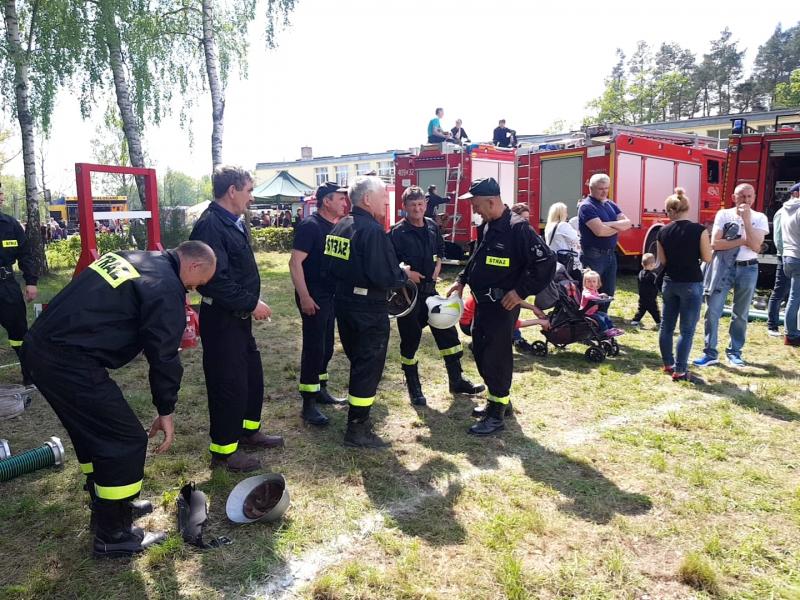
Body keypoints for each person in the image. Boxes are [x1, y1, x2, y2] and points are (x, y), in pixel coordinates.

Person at [21, 242, 217, 557]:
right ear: (194, 266)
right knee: (124, 439)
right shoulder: (166, 287)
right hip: (67, 361)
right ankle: (113, 533)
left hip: (44, 347)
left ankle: (109, 507)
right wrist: (166, 410)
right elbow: (164, 355)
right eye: (198, 283)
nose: (193, 291)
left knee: (91, 433)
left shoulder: (135, 257)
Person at [190, 165, 283, 473]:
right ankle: (224, 451)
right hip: (222, 318)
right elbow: (213, 279)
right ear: (232, 191)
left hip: (238, 318)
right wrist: (250, 302)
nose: (251, 197)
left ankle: (248, 432)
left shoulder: (232, 221)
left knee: (250, 377)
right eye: (249, 190)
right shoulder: (211, 225)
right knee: (227, 383)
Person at [446, 177, 556, 435]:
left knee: (497, 356)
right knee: (481, 350)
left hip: (502, 306)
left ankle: (496, 415)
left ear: (492, 201)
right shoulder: (487, 226)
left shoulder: (518, 229)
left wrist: (520, 293)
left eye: (476, 204)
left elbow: (546, 263)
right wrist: (462, 280)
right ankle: (498, 401)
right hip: (482, 303)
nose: (474, 209)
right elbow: (476, 258)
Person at [324, 176, 417, 448]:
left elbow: (329, 266)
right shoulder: (373, 231)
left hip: (344, 303)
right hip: (368, 308)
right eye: (382, 197)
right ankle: (357, 429)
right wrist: (403, 274)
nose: (387, 202)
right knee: (368, 365)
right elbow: (384, 276)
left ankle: (358, 419)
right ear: (367, 199)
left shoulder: (339, 226)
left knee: (358, 360)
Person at [390, 186, 484, 406]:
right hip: (408, 296)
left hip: (431, 292)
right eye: (412, 205)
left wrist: (439, 264)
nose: (417, 209)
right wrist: (405, 274)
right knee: (410, 342)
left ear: (425, 204)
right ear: (404, 207)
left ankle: (457, 380)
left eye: (420, 204)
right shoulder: (396, 232)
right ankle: (414, 388)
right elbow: (387, 264)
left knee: (448, 335)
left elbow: (440, 248)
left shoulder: (432, 226)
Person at [289, 182, 350, 426]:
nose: (345, 203)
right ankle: (308, 403)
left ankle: (321, 389)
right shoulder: (310, 227)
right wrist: (304, 296)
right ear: (327, 201)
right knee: (314, 348)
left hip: (331, 296)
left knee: (325, 347)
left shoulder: (338, 226)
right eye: (340, 199)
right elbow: (295, 264)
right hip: (313, 297)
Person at [694, 183, 768, 368]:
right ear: (734, 197)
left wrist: (747, 221)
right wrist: (743, 240)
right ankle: (710, 352)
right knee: (712, 310)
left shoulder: (760, 218)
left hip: (748, 268)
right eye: (742, 196)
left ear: (754, 197)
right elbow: (715, 243)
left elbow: (756, 247)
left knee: (741, 314)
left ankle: (734, 352)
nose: (746, 200)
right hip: (723, 267)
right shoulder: (724, 214)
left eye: (750, 196)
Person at [656, 188, 712, 383]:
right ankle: (680, 370)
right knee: (686, 330)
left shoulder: (662, 231)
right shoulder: (699, 230)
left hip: (670, 282)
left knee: (667, 326)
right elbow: (707, 257)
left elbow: (662, 260)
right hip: (691, 281)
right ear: (688, 208)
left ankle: (667, 364)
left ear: (669, 210)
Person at [0, 183, 38, 387]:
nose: (1, 197)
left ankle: (29, 376)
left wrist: (31, 281)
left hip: (6, 286)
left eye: (0, 193)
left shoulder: (10, 224)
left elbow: (26, 254)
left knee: (19, 333)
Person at [578, 173, 631, 308]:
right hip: (593, 255)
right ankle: (589, 322)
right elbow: (599, 231)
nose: (605, 191)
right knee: (591, 291)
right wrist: (617, 226)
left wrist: (607, 224)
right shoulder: (587, 206)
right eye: (601, 188)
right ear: (592, 188)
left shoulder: (610, 204)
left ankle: (602, 319)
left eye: (607, 188)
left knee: (608, 292)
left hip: (610, 254)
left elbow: (628, 223)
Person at [767, 183, 798, 336]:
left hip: (789, 255)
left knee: (789, 293)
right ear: (795, 194)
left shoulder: (789, 210)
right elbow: (778, 236)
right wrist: (782, 253)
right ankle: (772, 324)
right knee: (780, 291)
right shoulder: (782, 213)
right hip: (785, 255)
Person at [780, 182, 800, 346]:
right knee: (795, 298)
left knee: (793, 296)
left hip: (789, 256)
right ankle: (791, 334)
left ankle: (790, 333)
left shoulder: (784, 210)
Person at [581, 270, 623, 337]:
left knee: (605, 315)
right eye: (589, 281)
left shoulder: (594, 290)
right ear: (585, 282)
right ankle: (605, 331)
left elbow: (596, 295)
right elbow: (588, 296)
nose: (591, 283)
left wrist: (601, 295)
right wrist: (598, 298)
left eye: (594, 281)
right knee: (600, 319)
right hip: (586, 313)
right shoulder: (586, 291)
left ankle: (611, 328)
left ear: (597, 283)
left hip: (593, 312)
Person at [544, 202, 583, 272]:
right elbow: (576, 238)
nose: (567, 215)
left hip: (555, 261)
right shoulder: (562, 225)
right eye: (565, 212)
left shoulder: (549, 226)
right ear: (560, 214)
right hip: (565, 261)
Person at [630, 253, 661, 327]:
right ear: (652, 265)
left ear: (642, 264)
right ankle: (659, 322)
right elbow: (657, 283)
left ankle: (635, 321)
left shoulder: (640, 273)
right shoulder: (652, 275)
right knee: (655, 311)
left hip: (642, 297)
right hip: (651, 297)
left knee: (641, 310)